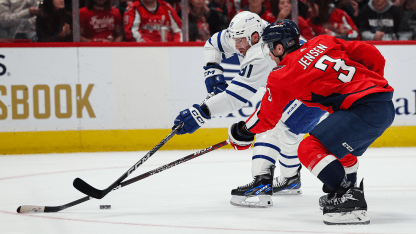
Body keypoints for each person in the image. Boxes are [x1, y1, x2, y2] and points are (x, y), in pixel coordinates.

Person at [227, 19, 395, 224]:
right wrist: (371, 85)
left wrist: (242, 132)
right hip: (383, 104)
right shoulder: (322, 41)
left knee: (309, 147)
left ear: (280, 47)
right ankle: (342, 194)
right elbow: (371, 54)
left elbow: (266, 118)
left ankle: (349, 198)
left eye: (270, 47)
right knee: (338, 149)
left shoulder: (281, 75)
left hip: (362, 109)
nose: (269, 53)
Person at [173, 11, 326, 208]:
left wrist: (201, 112)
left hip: (311, 92)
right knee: (288, 135)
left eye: (240, 42)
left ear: (255, 37)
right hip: (309, 86)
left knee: (270, 127)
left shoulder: (261, 54)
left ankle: (261, 183)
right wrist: (213, 71)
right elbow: (213, 44)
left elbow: (236, 98)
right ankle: (290, 180)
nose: (237, 47)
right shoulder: (247, 32)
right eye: (235, 40)